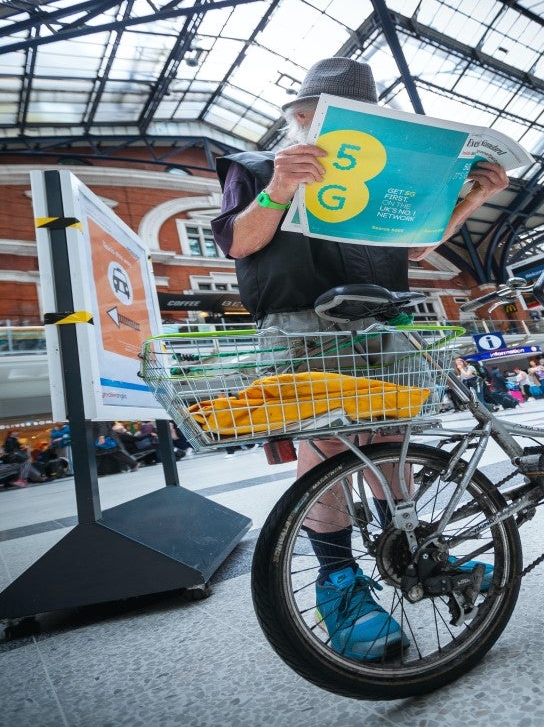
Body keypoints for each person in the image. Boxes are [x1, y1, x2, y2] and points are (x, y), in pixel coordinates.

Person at [211, 57, 509, 660]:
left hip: (383, 318)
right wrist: (280, 188)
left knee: (392, 436)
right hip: (303, 324)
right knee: (327, 444)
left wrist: (474, 196)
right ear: (298, 118)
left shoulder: (385, 177)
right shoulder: (257, 167)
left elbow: (419, 243)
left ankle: (407, 544)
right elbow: (239, 242)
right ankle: (338, 582)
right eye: (318, 115)